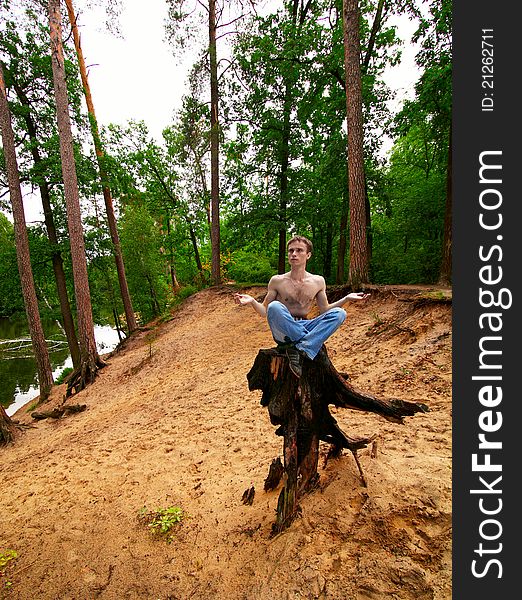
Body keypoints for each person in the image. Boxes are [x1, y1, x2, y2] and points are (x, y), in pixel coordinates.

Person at [234, 235, 370, 377]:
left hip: (306, 325)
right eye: (291, 251)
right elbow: (265, 312)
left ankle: (300, 348)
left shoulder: (318, 281)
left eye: (299, 250)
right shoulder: (277, 281)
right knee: (274, 306)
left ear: (308, 255)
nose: (294, 254)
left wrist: (347, 298)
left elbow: (325, 310)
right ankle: (308, 344)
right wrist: (252, 301)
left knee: (340, 313)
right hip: (284, 331)